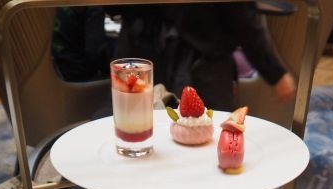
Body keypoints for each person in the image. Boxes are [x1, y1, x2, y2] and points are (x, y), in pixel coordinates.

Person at [107, 2, 296, 111]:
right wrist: (275, 73)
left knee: (135, 136)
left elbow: (113, 8)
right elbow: (241, 18)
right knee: (204, 144)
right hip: (199, 61)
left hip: (138, 51)